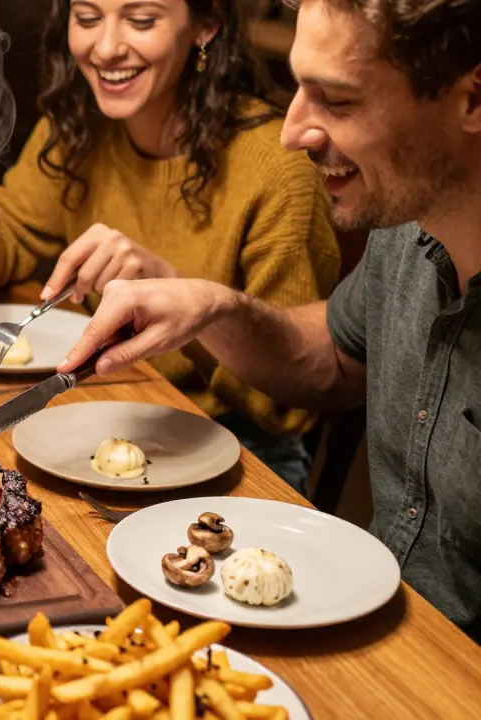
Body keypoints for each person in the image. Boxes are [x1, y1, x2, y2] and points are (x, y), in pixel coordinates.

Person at [59, 0, 481, 639]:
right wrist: (213, 307)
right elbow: (333, 362)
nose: (292, 132)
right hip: (369, 626)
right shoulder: (406, 229)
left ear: (473, 98)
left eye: (336, 101)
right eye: (299, 88)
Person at [0, 0, 339, 492]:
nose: (106, 48)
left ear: (206, 26)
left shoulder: (278, 167)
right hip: (98, 425)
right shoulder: (78, 125)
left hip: (239, 457)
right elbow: (15, 231)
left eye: (141, 21)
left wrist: (179, 298)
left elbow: (288, 404)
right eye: (88, 18)